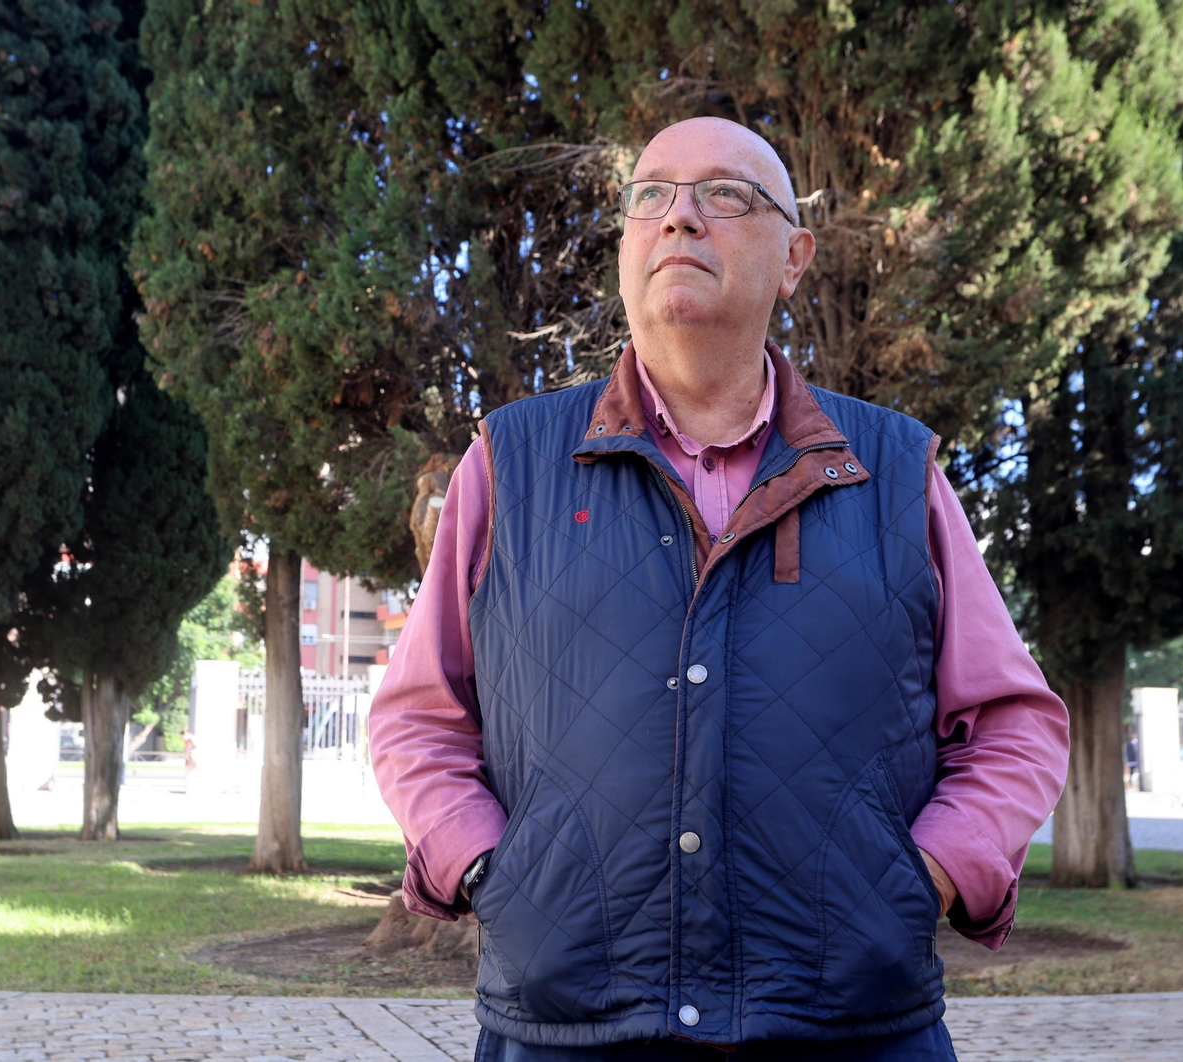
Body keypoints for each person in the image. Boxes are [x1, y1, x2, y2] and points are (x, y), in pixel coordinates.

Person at [370, 117, 1069, 1061]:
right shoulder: (509, 462)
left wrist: (928, 876)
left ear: (795, 258)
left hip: (849, 1030)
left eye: (726, 196)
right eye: (650, 196)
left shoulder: (896, 469)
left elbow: (1015, 723)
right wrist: (495, 869)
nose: (680, 219)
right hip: (569, 1030)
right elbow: (417, 715)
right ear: (625, 247)